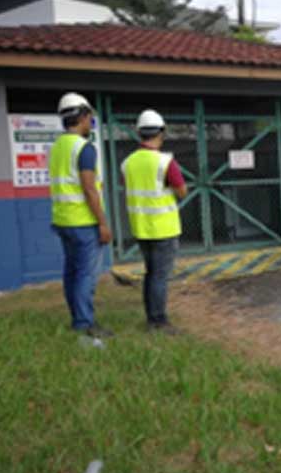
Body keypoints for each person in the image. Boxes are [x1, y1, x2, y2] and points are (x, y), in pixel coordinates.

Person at [50, 93, 113, 338]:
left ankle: (78, 317)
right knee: (86, 274)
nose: (91, 123)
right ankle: (84, 323)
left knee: (72, 272)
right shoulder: (84, 148)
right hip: (83, 222)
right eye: (90, 118)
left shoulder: (57, 147)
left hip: (63, 220)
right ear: (84, 117)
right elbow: (88, 188)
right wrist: (103, 223)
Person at [121, 109, 187, 334]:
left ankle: (152, 317)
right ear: (162, 132)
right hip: (163, 228)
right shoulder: (165, 162)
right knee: (159, 276)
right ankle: (158, 321)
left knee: (150, 274)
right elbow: (182, 191)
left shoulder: (127, 162)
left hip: (140, 227)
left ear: (139, 133)